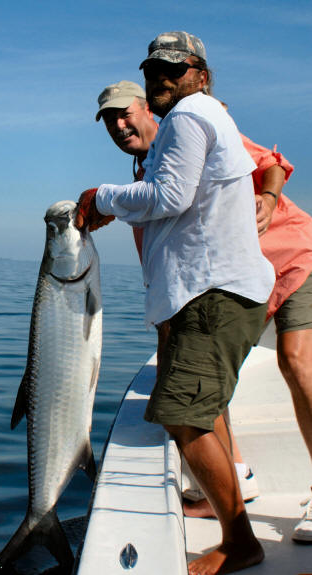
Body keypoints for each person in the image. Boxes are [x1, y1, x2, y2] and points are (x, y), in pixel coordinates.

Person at [78, 31, 276, 575]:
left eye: (175, 69)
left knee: (182, 419)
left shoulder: (190, 116)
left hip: (212, 295)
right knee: (197, 413)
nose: (162, 78)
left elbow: (170, 197)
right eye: (153, 70)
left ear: (201, 74)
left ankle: (241, 541)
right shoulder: (204, 118)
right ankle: (236, 527)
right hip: (208, 296)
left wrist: (103, 197)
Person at [95, 79, 312, 540]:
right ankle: (237, 480)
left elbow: (272, 164)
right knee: (199, 384)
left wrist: (269, 199)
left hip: (290, 259)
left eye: (125, 112)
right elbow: (167, 278)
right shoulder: (146, 182)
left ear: (147, 108)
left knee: (296, 362)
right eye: (109, 120)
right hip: (228, 296)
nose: (119, 124)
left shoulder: (200, 128)